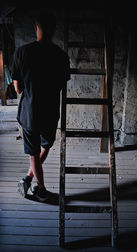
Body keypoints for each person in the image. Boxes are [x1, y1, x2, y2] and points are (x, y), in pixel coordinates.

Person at [11, 11, 70, 201]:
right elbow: (61, 85)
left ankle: (39, 188)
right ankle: (31, 180)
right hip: (51, 111)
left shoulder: (22, 52)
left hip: (30, 112)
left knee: (34, 152)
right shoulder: (61, 56)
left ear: (35, 27)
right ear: (54, 29)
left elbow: (18, 89)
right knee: (45, 146)